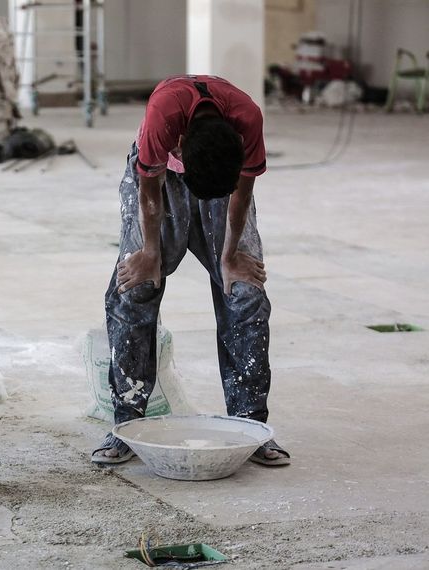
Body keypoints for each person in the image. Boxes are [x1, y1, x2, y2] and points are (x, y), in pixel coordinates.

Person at [92, 75, 290, 467]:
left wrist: (230, 256)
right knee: (134, 288)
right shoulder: (163, 113)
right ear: (179, 144)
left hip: (220, 180)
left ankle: (250, 425)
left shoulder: (247, 118)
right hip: (159, 182)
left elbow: (242, 192)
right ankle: (126, 423)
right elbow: (149, 191)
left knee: (246, 294)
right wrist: (150, 253)